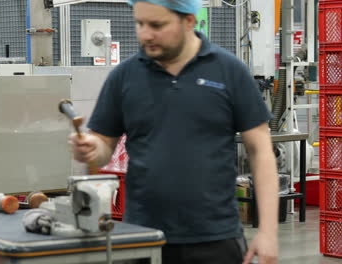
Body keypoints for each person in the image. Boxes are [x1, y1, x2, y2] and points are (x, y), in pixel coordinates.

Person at [69, 0, 279, 263]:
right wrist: (90, 148)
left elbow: (261, 151)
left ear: (188, 21)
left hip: (215, 238)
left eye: (157, 25)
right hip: (143, 237)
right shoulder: (124, 77)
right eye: (140, 23)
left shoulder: (229, 71)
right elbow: (103, 148)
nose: (145, 34)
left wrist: (268, 232)